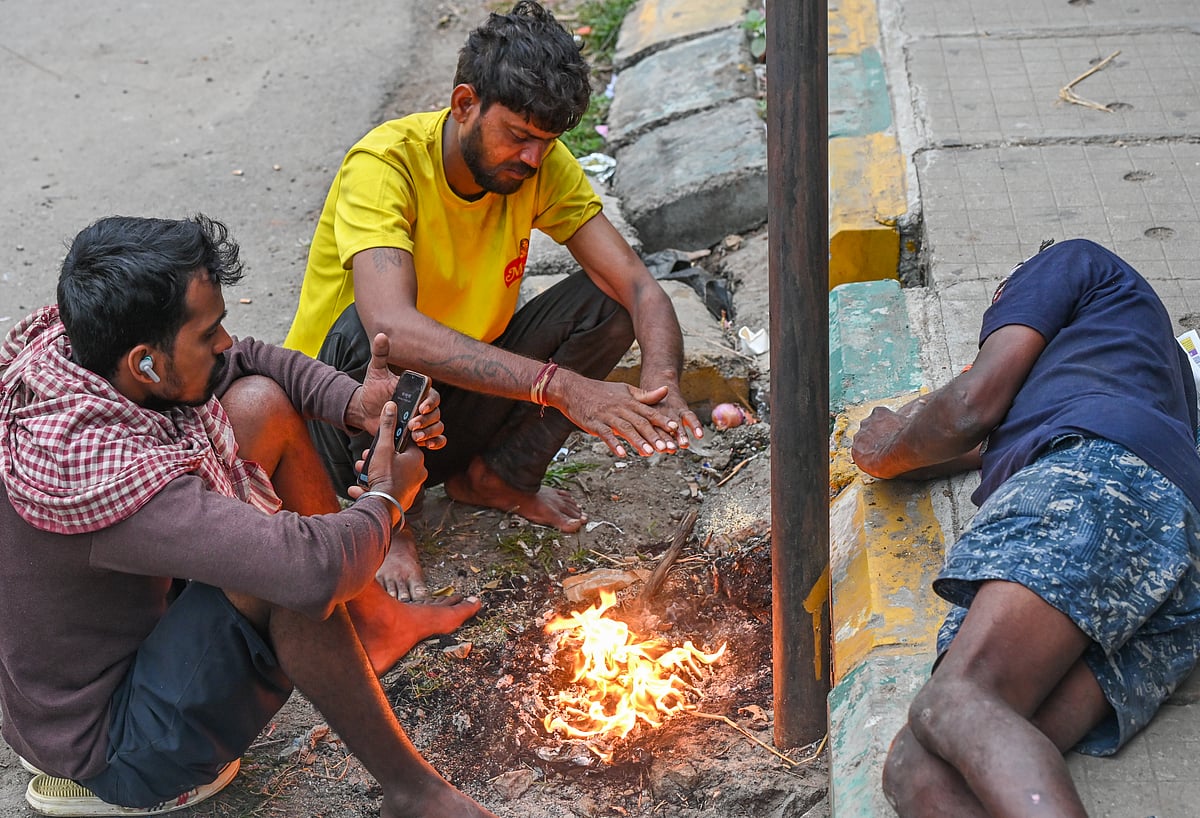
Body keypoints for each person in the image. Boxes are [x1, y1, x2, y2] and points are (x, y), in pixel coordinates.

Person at [0, 215, 496, 817]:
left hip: (60, 694)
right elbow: (308, 571)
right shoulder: (109, 480)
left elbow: (252, 362)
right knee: (284, 580)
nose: (226, 342)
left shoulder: (71, 354)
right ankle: (413, 792)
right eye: (208, 332)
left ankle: (371, 622)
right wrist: (388, 499)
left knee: (258, 401)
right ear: (146, 363)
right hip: (118, 749)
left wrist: (355, 405)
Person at [282, 0, 703, 603]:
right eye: (519, 136)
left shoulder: (540, 165)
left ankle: (496, 478)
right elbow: (392, 330)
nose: (533, 159)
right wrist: (561, 386)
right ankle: (379, 521)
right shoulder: (385, 165)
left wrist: (664, 384)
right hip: (343, 415)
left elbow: (637, 284)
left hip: (440, 414)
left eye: (547, 142)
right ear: (464, 104)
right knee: (368, 334)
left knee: (604, 302)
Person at [851, 238, 1200, 816]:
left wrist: (885, 449)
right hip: (1157, 547)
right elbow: (971, 439)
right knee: (917, 766)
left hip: (1096, 482)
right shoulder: (1131, 373)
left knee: (956, 698)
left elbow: (968, 408)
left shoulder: (1066, 262)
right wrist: (917, 432)